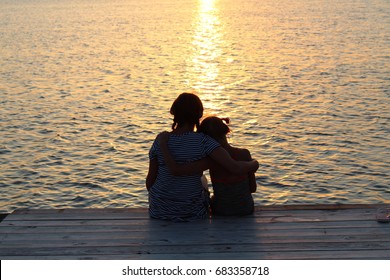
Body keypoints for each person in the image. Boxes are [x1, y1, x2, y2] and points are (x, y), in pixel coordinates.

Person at [146, 93, 259, 222]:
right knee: (203, 180)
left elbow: (149, 184)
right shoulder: (204, 142)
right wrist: (254, 164)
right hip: (192, 213)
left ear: (174, 113)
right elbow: (233, 166)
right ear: (199, 114)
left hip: (158, 211)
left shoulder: (160, 140)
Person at [160, 116, 257, 216]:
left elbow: (183, 171)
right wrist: (254, 163)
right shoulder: (245, 154)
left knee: (202, 179)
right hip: (246, 209)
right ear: (226, 132)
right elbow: (253, 188)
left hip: (221, 210)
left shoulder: (211, 159)